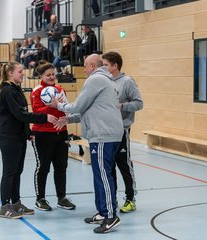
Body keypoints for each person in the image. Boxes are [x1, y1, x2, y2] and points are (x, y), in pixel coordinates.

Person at [50, 54, 124, 234]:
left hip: (103, 135)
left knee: (103, 176)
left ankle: (111, 216)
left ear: (92, 65)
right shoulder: (106, 80)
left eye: (85, 66)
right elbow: (89, 108)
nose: (84, 70)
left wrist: (59, 106)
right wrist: (69, 119)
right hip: (106, 133)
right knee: (100, 174)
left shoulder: (95, 79)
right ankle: (103, 212)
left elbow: (78, 105)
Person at [0, 61, 57, 219]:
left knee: (18, 171)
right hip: (8, 136)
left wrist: (28, 132)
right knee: (9, 172)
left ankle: (16, 203)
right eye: (20, 71)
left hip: (18, 135)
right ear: (10, 73)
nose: (22, 74)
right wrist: (45, 117)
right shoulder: (7, 91)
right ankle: (5, 206)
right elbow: (19, 114)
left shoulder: (16, 89)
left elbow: (21, 116)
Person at [30, 61, 76, 211]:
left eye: (53, 74)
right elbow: (36, 112)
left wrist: (64, 112)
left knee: (61, 166)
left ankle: (61, 197)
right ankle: (40, 199)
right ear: (41, 76)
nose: (51, 77)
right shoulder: (37, 91)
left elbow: (67, 110)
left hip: (60, 132)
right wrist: (51, 105)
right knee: (43, 167)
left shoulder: (60, 89)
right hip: (42, 134)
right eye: (48, 75)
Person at [102, 51, 143, 213]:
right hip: (106, 131)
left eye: (105, 65)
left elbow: (139, 103)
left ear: (115, 66)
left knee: (124, 165)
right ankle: (112, 198)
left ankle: (130, 199)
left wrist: (123, 106)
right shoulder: (104, 81)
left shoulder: (127, 82)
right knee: (109, 167)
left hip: (122, 130)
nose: (103, 68)